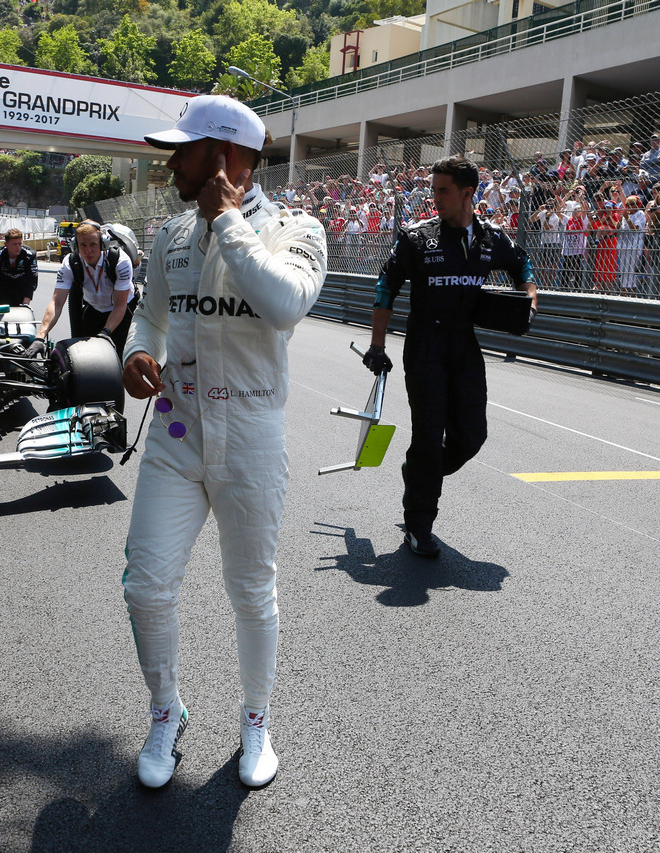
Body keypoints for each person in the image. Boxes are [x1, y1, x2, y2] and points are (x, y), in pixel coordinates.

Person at [119, 95, 326, 790]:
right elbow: (150, 318)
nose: (171, 160)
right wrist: (137, 356)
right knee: (144, 585)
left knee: (250, 590)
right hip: (177, 434)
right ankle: (166, 710)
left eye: (184, 148)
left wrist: (228, 220)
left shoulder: (297, 228)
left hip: (251, 435)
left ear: (224, 156)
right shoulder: (169, 234)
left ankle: (257, 721)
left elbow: (286, 303)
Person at [363, 154, 536, 557]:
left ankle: (419, 473)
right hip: (424, 346)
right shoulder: (417, 238)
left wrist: (529, 299)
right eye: (433, 189)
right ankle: (418, 524)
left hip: (465, 346)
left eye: (443, 191)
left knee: (472, 437)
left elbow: (523, 264)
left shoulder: (492, 239)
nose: (434, 197)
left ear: (467, 194)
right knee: (427, 435)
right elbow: (385, 287)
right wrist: (376, 345)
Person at [27, 220, 136, 358]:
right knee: (86, 359)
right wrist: (40, 337)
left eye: (93, 244)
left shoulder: (120, 261)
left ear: (103, 243)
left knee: (121, 361)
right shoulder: (70, 262)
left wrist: (105, 332)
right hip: (94, 309)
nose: (88, 250)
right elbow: (57, 303)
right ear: (75, 245)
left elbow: (120, 305)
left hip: (123, 312)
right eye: (82, 245)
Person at [0, 228, 38, 307]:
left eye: (20, 244)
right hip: (2, 291)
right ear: (6, 245)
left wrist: (25, 304)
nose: (18, 247)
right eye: (14, 244)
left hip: (20, 291)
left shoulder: (30, 256)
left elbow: (32, 281)